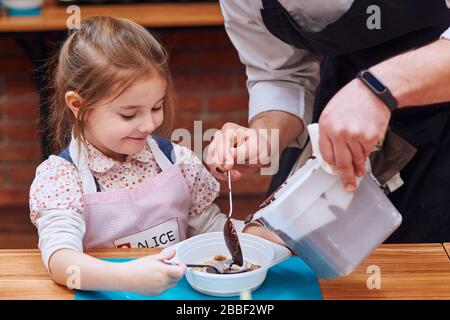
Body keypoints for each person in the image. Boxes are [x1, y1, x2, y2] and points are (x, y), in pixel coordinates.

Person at [29, 16, 273, 296]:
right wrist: (124, 277)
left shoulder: (176, 161)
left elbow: (208, 229)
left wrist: (262, 237)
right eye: (129, 114)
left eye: (156, 107)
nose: (148, 125)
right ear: (78, 105)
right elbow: (62, 262)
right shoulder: (61, 177)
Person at [207, 1, 450, 243]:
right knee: (294, 253)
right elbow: (282, 77)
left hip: (440, 111)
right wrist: (263, 136)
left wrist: (377, 90)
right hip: (339, 106)